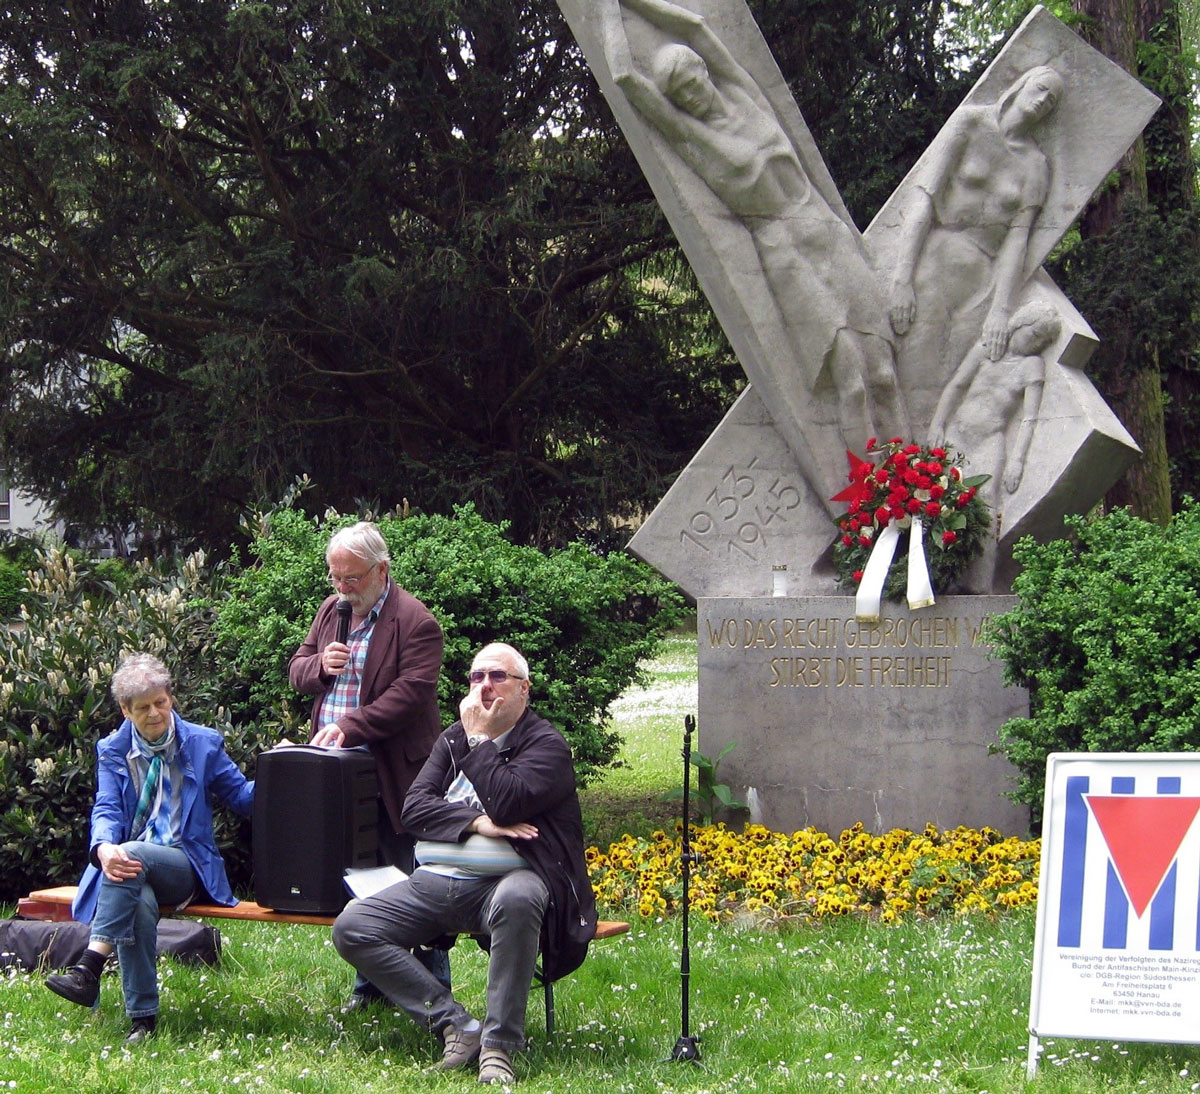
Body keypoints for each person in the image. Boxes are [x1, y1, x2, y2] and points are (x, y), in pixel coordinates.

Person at [601, 0, 910, 499]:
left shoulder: (747, 98)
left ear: (704, 72)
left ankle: (919, 496)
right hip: (786, 256)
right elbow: (626, 79)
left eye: (692, 80)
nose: (693, 94)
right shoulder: (692, 136)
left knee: (883, 374)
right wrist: (606, 11)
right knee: (850, 382)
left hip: (826, 235)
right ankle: (876, 503)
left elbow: (697, 26)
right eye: (680, 94)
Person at [332, 642, 597, 1086]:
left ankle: (499, 1047)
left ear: (523, 690)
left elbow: (510, 801)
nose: (485, 687)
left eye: (497, 677)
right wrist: (477, 822)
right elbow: (414, 809)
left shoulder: (546, 746)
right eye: (476, 678)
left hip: (509, 879)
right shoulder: (452, 739)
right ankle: (456, 1024)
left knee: (520, 897)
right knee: (354, 926)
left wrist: (479, 743)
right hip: (437, 879)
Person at [44, 653, 254, 1044]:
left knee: (132, 854)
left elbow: (242, 797)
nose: (155, 713)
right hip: (129, 868)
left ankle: (89, 966)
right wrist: (103, 848)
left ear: (170, 698)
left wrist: (285, 769)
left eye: (161, 702)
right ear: (126, 711)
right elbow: (106, 807)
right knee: (136, 898)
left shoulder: (203, 744)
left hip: (183, 865)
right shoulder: (112, 750)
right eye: (143, 708)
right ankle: (143, 1020)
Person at [288, 520, 447, 1007]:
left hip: (394, 772)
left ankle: (432, 992)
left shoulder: (415, 622)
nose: (342, 589)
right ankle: (370, 987)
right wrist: (320, 666)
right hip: (336, 771)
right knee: (359, 876)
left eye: (352, 578)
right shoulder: (330, 612)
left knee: (404, 877)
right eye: (335, 578)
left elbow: (409, 697)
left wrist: (352, 727)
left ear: (381, 570)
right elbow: (297, 669)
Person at [887, 64, 1064, 425]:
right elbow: (923, 198)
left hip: (982, 284)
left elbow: (1018, 239)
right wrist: (902, 278)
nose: (1044, 100)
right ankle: (887, 467)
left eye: (1053, 100)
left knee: (945, 384)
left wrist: (1000, 310)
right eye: (1042, 88)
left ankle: (921, 473)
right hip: (935, 264)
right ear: (1022, 84)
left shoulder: (1036, 166)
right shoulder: (970, 123)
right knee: (911, 371)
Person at [929, 300, 1061, 588]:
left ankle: (979, 585)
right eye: (1035, 334)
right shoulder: (987, 348)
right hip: (959, 435)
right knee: (941, 501)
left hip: (991, 440)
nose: (1036, 344)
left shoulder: (1032, 366)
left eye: (1043, 341)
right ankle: (939, 579)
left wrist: (1017, 461)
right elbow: (956, 386)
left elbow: (1029, 419)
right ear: (1020, 324)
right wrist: (937, 424)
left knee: (986, 506)